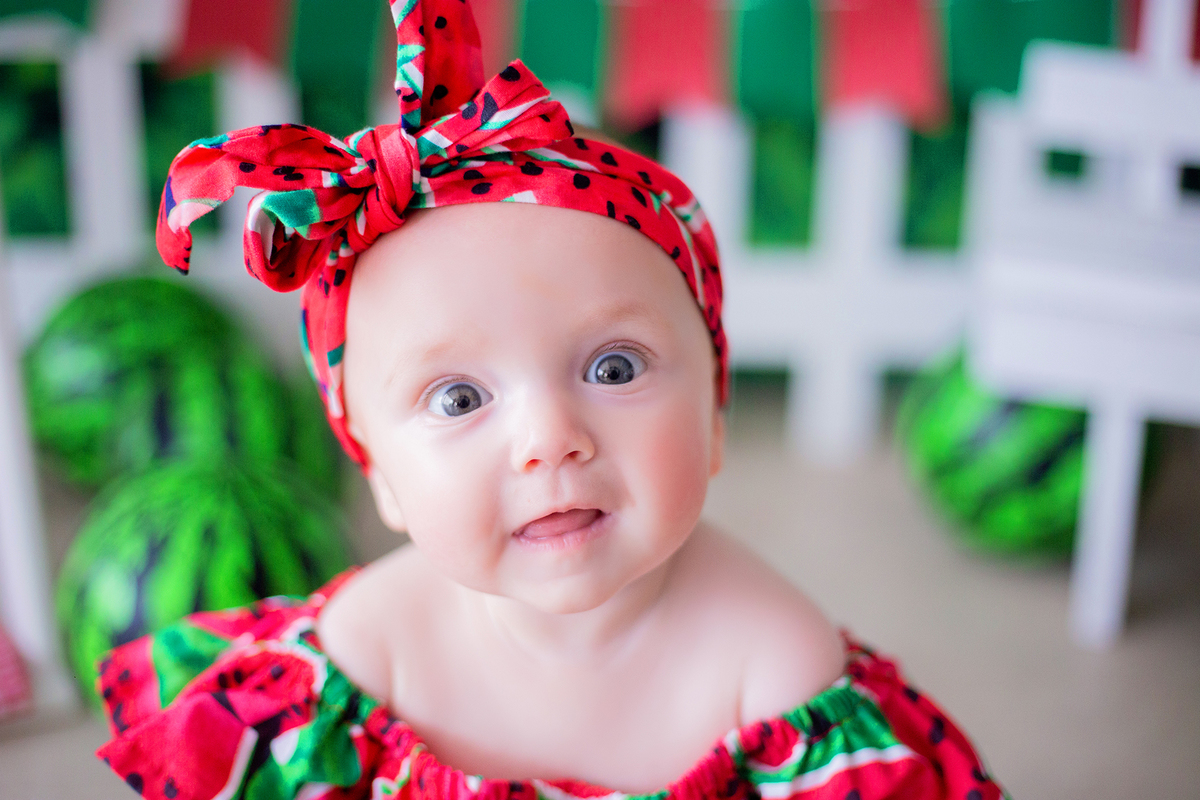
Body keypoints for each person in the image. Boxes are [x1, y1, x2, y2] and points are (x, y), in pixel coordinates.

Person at [95, 1, 1006, 798]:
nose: (549, 441)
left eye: (614, 369)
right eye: (456, 398)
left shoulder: (779, 675)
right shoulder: (365, 658)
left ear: (715, 413)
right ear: (382, 480)